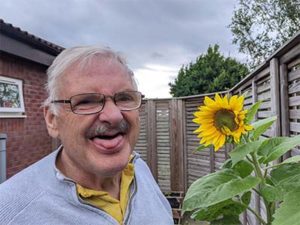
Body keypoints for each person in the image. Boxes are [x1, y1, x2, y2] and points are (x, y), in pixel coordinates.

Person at [0, 46, 173, 225]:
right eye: (86, 101)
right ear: (52, 120)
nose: (113, 116)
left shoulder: (139, 168)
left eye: (124, 98)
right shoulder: (8, 212)